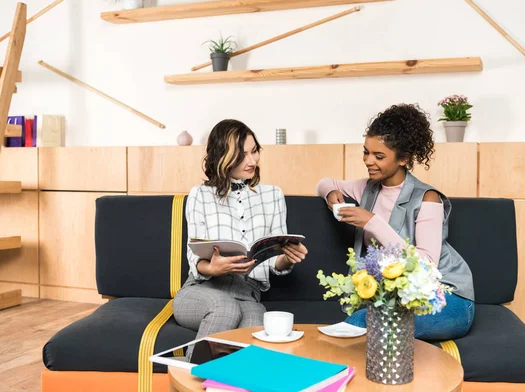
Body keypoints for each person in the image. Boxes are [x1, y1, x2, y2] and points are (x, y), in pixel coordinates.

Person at [316, 103, 474, 341]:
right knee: (374, 318)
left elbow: (427, 264)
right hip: (400, 296)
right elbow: (325, 182)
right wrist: (330, 195)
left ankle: (327, 371)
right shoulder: (367, 188)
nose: (369, 161)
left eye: (379, 156)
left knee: (366, 320)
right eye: (366, 152)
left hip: (447, 297)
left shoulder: (427, 198)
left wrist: (373, 222)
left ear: (404, 159)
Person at [174, 119, 308, 358]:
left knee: (255, 322)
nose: (252, 161)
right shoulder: (200, 195)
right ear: (223, 157)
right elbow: (194, 257)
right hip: (201, 290)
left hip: (249, 293)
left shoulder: (273, 195)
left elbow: (271, 260)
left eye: (254, 151)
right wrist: (213, 268)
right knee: (224, 307)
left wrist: (287, 258)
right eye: (242, 155)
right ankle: (190, 379)